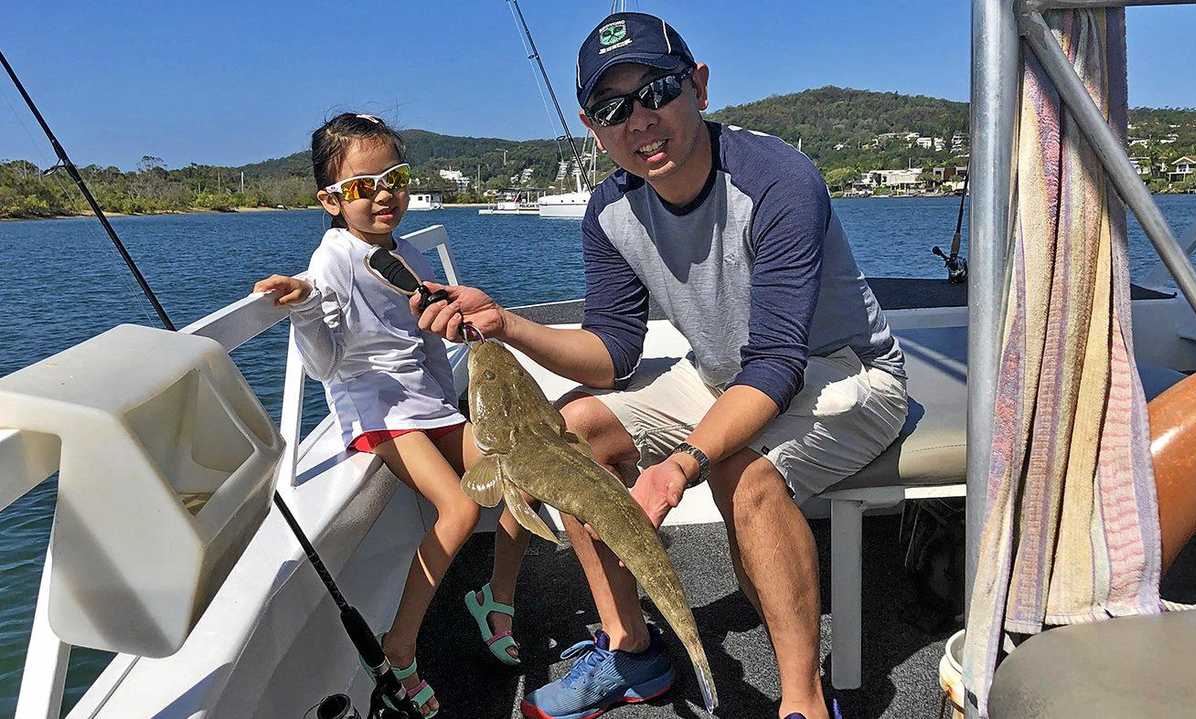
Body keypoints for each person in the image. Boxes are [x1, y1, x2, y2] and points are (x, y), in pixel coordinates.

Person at [415, 12, 908, 719]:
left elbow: (776, 365)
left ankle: (801, 701)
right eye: (614, 108)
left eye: (657, 90)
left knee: (742, 471)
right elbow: (613, 353)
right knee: (573, 431)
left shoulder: (778, 182)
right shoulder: (610, 209)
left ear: (699, 87)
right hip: (720, 374)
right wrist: (506, 324)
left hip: (845, 371)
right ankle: (632, 649)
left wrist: (681, 463)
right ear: (593, 127)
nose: (639, 120)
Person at [252, 113, 533, 718]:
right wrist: (304, 308)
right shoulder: (332, 260)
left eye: (395, 178)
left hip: (424, 401)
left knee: (519, 483)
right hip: (376, 409)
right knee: (459, 508)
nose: (383, 194)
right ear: (331, 199)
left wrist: (452, 400)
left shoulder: (400, 249)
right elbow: (326, 366)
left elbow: (425, 338)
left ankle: (496, 597)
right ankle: (400, 647)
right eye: (363, 185)